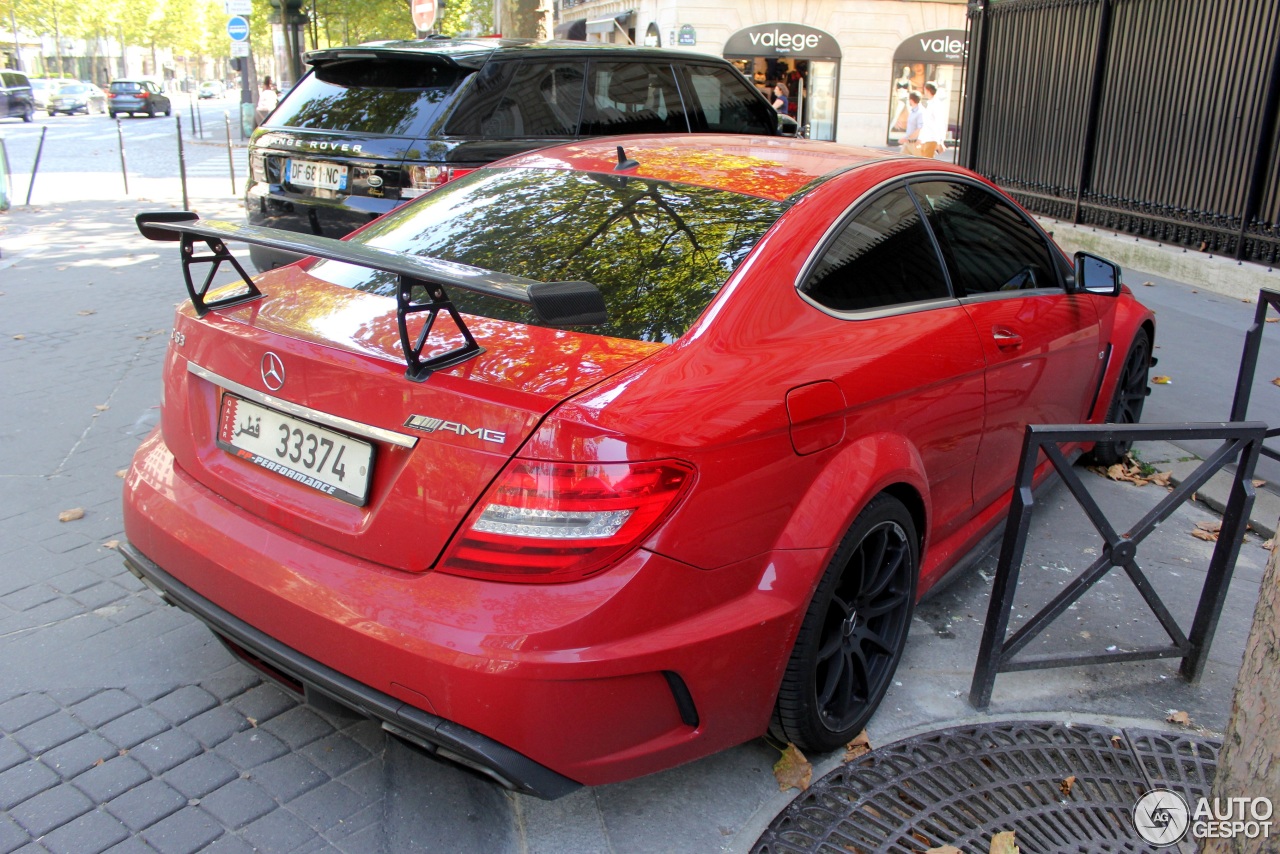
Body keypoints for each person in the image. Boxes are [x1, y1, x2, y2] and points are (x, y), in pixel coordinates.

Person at [918, 81, 948, 158]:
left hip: (932, 139)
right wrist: (920, 138)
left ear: (927, 90)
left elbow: (940, 123)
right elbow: (926, 123)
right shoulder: (930, 104)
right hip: (926, 139)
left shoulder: (936, 104)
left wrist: (940, 140)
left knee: (926, 163)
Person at [901, 91, 924, 155]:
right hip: (907, 143)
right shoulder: (912, 111)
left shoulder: (920, 112)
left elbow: (920, 129)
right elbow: (911, 126)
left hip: (915, 144)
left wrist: (907, 138)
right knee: (900, 160)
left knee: (917, 163)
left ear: (911, 100)